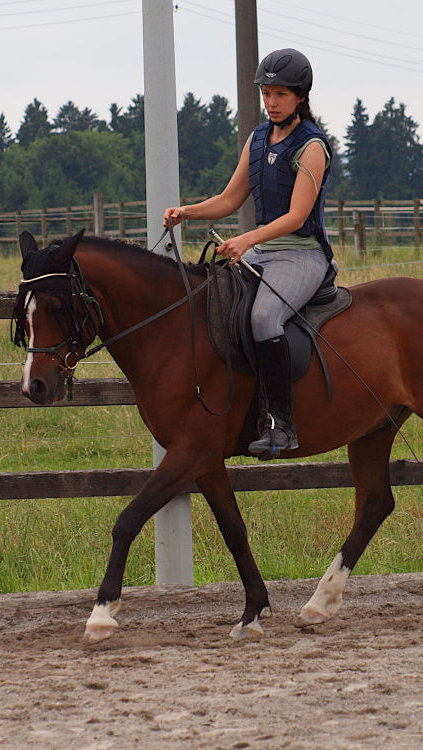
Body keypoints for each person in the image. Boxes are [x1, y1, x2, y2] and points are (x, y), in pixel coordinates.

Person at [163, 48, 334, 459]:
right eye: (266, 94)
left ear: (300, 97)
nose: (271, 102)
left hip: (300, 255)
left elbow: (296, 216)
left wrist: (247, 241)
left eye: (280, 94)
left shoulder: (312, 146)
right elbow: (229, 199)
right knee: (214, 303)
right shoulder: (258, 139)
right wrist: (187, 211)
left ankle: (281, 424)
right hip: (261, 253)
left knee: (263, 317)